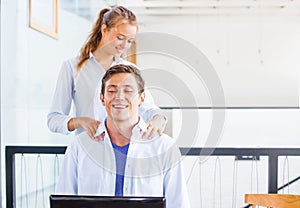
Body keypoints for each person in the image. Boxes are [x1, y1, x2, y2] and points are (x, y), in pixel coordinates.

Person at [56, 64, 190, 208]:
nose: (119, 97)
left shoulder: (164, 147)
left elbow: (178, 203)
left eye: (128, 91)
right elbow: (64, 200)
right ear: (102, 98)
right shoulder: (80, 146)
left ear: (142, 98)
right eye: (112, 91)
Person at [47, 6, 166, 140]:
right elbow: (53, 120)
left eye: (130, 41)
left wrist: (158, 120)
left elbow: (151, 110)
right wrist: (80, 121)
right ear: (104, 30)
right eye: (120, 38)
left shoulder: (131, 70)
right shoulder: (72, 68)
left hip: (126, 151)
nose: (124, 46)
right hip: (89, 151)